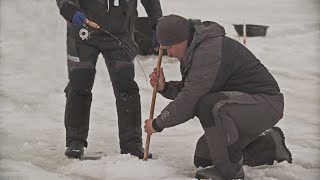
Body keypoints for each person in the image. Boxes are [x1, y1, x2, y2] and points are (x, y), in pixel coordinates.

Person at [144, 15, 292, 179]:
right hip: (239, 106)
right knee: (204, 158)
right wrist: (164, 88)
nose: (169, 53)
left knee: (211, 106)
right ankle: (271, 144)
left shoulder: (207, 52)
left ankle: (230, 173)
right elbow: (194, 89)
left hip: (265, 104)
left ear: (182, 39)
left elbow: (191, 99)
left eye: (169, 47)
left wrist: (159, 123)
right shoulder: (194, 49)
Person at [56, 0, 162, 159]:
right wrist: (69, 9)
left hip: (121, 35)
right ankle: (75, 142)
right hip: (83, 33)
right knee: (80, 84)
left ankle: (132, 144)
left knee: (126, 85)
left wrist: (157, 23)